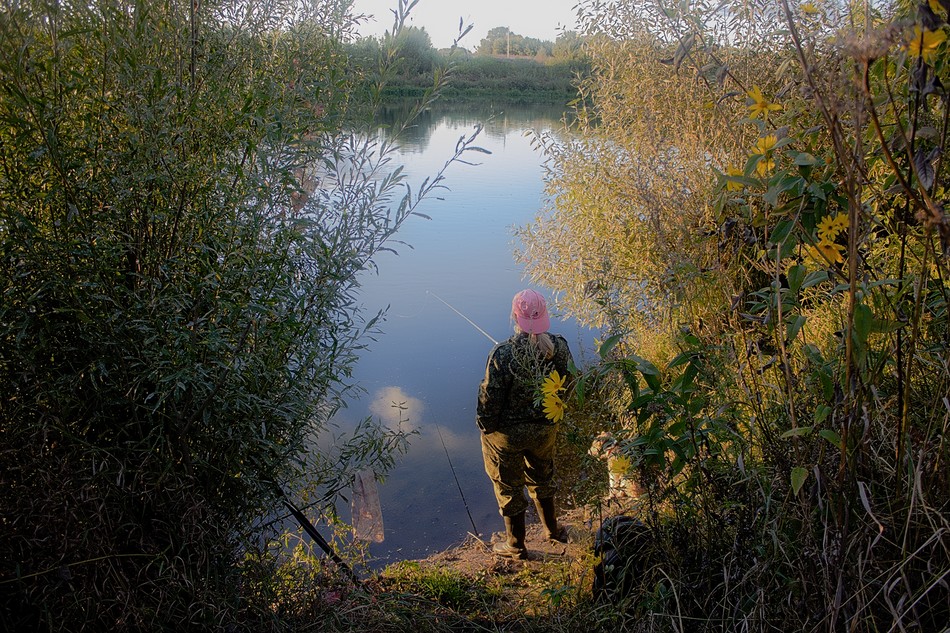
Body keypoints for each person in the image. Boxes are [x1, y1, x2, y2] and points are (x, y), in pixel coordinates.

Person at [476, 289, 574, 559]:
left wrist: (485, 427)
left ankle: (516, 546)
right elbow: (570, 384)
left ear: (514, 316)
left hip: (507, 438)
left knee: (507, 486)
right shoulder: (560, 347)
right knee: (543, 476)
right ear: (545, 315)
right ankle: (553, 531)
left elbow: (489, 399)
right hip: (545, 430)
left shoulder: (503, 354)